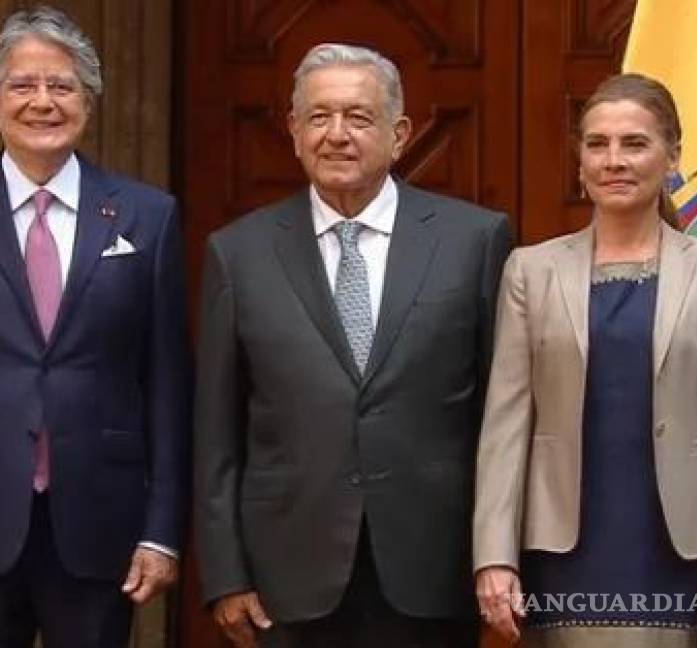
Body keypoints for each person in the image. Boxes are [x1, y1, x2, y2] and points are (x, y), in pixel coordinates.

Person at [0, 6, 191, 648]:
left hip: (100, 520)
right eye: (24, 85)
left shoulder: (147, 216)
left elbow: (166, 384)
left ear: (89, 100)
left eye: (63, 85)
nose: (43, 102)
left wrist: (161, 529)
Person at [195, 43, 511, 647]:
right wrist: (225, 572)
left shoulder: (474, 240)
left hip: (434, 568)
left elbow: (500, 419)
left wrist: (498, 556)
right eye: (319, 116)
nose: (336, 134)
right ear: (293, 130)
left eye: (358, 117)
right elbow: (217, 431)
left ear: (400, 134)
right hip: (287, 572)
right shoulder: (238, 253)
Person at [473, 73, 697, 648]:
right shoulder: (530, 271)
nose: (615, 160)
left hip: (683, 553)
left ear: (672, 155)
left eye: (635, 143)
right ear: (579, 161)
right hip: (563, 553)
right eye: (597, 144)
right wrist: (493, 556)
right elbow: (506, 427)